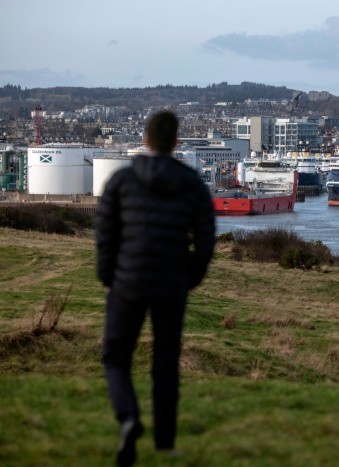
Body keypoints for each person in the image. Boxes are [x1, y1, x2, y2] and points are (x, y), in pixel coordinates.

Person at [96, 110, 215, 466]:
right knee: (165, 363)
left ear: (145, 140)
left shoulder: (121, 180)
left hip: (127, 280)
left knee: (116, 356)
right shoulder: (193, 183)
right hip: (171, 282)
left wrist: (108, 275)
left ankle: (129, 417)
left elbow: (105, 232)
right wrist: (191, 276)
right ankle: (164, 443)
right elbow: (206, 238)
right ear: (177, 141)